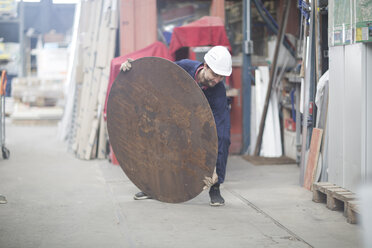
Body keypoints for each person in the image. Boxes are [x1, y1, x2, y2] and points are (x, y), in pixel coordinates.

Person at [120, 46, 232, 206]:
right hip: (175, 111)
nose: (217, 80)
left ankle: (215, 188)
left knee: (224, 138)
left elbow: (219, 133)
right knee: (160, 137)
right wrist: (134, 69)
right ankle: (152, 187)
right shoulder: (184, 67)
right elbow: (158, 73)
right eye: (215, 74)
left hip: (199, 122)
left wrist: (214, 168)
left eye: (221, 77)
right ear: (205, 65)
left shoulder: (218, 92)